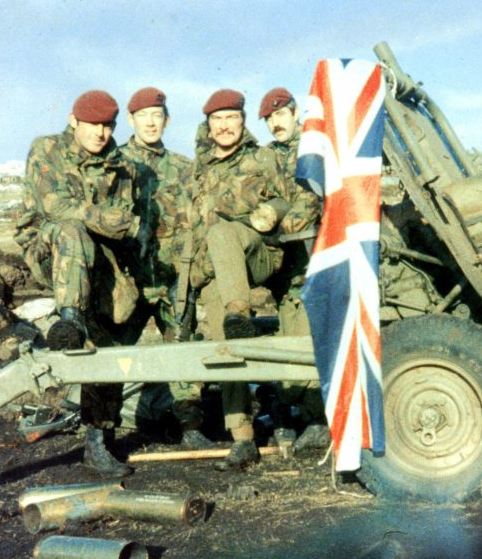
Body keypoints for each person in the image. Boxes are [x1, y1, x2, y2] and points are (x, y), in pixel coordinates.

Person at [15, 90, 146, 477]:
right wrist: (112, 220)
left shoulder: (121, 166)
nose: (101, 133)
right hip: (50, 247)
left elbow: (122, 221)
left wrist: (115, 225)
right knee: (72, 229)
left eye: (107, 125)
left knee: (109, 337)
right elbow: (58, 207)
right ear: (74, 121)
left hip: (99, 258)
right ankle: (69, 318)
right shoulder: (47, 149)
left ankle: (98, 441)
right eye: (93, 124)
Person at [187, 88, 298, 470]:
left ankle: (240, 311)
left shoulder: (262, 157)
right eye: (216, 120)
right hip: (222, 268)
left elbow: (289, 199)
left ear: (242, 120)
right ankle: (242, 437)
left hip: (261, 254)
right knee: (222, 337)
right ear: (209, 125)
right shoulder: (199, 170)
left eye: (230, 118)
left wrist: (268, 211)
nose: (224, 126)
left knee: (222, 234)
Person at [118, 87, 214, 449]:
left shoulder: (183, 169)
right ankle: (103, 432)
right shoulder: (116, 163)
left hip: (173, 278)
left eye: (157, 116)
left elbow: (198, 221)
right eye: (143, 115)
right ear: (131, 120)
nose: (151, 122)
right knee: (112, 354)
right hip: (129, 280)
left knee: (183, 350)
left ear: (167, 120)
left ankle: (191, 428)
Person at [258, 88, 330, 452]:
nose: (275, 123)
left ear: (295, 112)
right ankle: (297, 414)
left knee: (312, 338)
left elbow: (312, 199)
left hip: (316, 258)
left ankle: (319, 419)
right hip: (285, 269)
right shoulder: (267, 156)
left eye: (280, 115)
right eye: (269, 119)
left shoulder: (315, 146)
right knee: (289, 337)